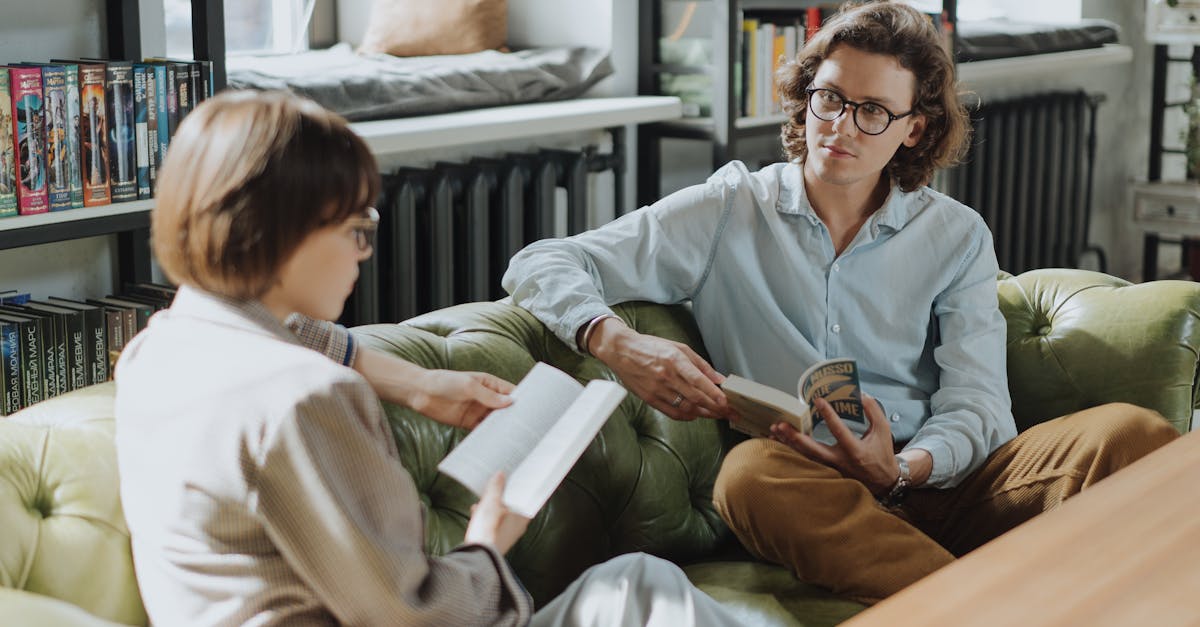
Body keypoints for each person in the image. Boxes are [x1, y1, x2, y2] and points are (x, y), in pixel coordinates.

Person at [502, 0, 1179, 605]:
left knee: (1130, 433)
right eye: (829, 98)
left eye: (873, 111)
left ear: (914, 128)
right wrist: (615, 340)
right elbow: (542, 259)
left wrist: (906, 466)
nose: (841, 127)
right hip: (814, 491)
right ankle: (988, 604)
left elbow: (979, 406)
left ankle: (971, 592)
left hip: (947, 481)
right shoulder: (729, 209)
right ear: (805, 97)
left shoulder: (954, 235)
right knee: (746, 475)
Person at [114, 90, 743, 626]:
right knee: (636, 588)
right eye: (356, 228)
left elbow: (301, 334)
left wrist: (418, 384)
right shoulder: (304, 400)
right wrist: (488, 544)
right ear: (283, 230)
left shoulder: (155, 351)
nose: (364, 252)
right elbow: (411, 613)